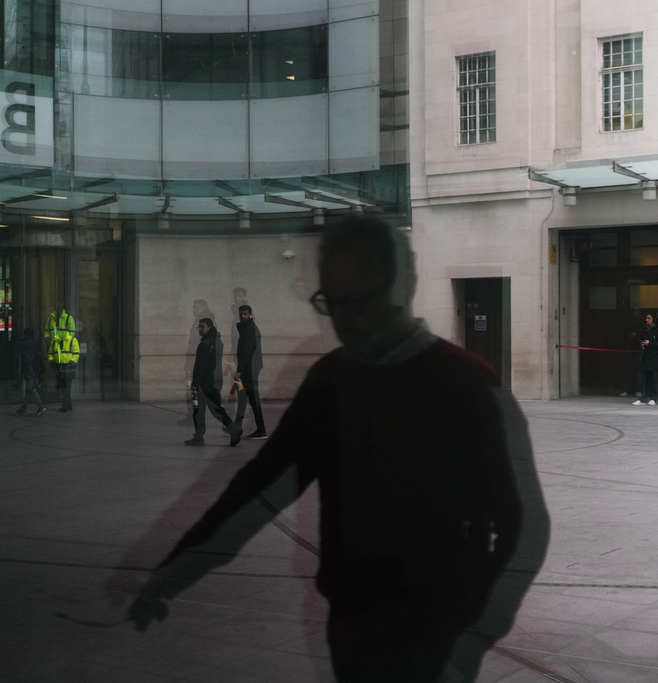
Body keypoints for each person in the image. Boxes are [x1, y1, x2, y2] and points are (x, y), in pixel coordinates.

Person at [129, 216, 549, 682]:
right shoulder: (331, 381)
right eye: (332, 303)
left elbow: (525, 530)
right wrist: (178, 569)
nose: (346, 321)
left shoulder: (469, 387)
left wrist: (469, 641)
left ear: (404, 285)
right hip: (352, 627)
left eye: (361, 301)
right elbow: (261, 487)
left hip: (436, 636)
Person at [185, 318, 242, 447]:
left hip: (205, 383)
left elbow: (200, 366)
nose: (199, 329)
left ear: (209, 328)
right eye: (199, 326)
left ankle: (230, 430)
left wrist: (195, 383)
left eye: (202, 327)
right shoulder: (217, 341)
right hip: (213, 381)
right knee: (211, 408)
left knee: (204, 410)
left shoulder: (205, 344)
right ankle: (200, 436)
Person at [233, 304, 266, 439]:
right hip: (249, 368)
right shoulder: (247, 328)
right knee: (243, 396)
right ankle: (236, 427)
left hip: (249, 369)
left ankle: (261, 430)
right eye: (241, 314)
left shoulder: (250, 329)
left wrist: (239, 370)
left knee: (252, 398)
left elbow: (247, 351)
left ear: (250, 314)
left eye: (245, 314)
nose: (242, 316)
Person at [632, 312, 658, 406]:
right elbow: (640, 339)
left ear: (653, 319)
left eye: (649, 318)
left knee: (654, 379)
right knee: (643, 379)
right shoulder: (644, 329)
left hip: (655, 359)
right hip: (645, 358)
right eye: (646, 318)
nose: (646, 320)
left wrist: (650, 343)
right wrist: (641, 343)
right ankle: (642, 398)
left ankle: (653, 398)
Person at [17, 327, 47, 416]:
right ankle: (23, 408)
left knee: (31, 389)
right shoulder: (37, 344)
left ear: (25, 334)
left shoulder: (23, 344)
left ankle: (41, 406)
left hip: (28, 370)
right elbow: (41, 356)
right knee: (29, 390)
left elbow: (23, 358)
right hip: (36, 369)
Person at [50, 323, 80, 412]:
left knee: (66, 387)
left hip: (68, 367)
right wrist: (52, 361)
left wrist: (71, 363)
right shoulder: (55, 340)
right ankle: (68, 405)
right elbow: (51, 352)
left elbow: (76, 353)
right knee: (64, 387)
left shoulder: (72, 340)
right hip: (60, 366)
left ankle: (65, 406)